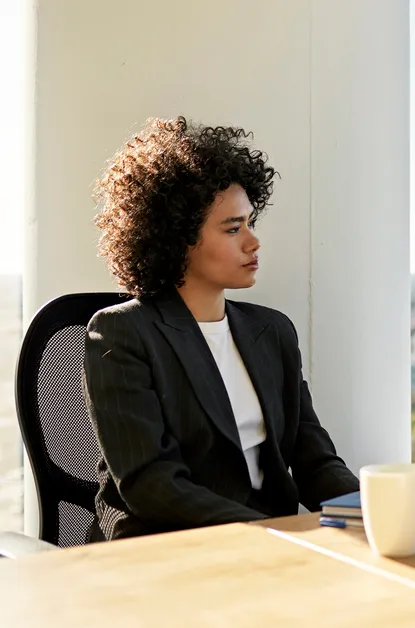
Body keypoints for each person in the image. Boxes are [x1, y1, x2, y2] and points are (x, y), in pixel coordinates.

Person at [84, 117, 358, 540]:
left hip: (271, 545)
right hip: (168, 548)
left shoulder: (272, 331)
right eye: (233, 229)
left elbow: (313, 459)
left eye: (250, 223)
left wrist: (371, 508)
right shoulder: (123, 333)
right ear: (178, 239)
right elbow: (150, 484)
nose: (253, 242)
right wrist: (270, 531)